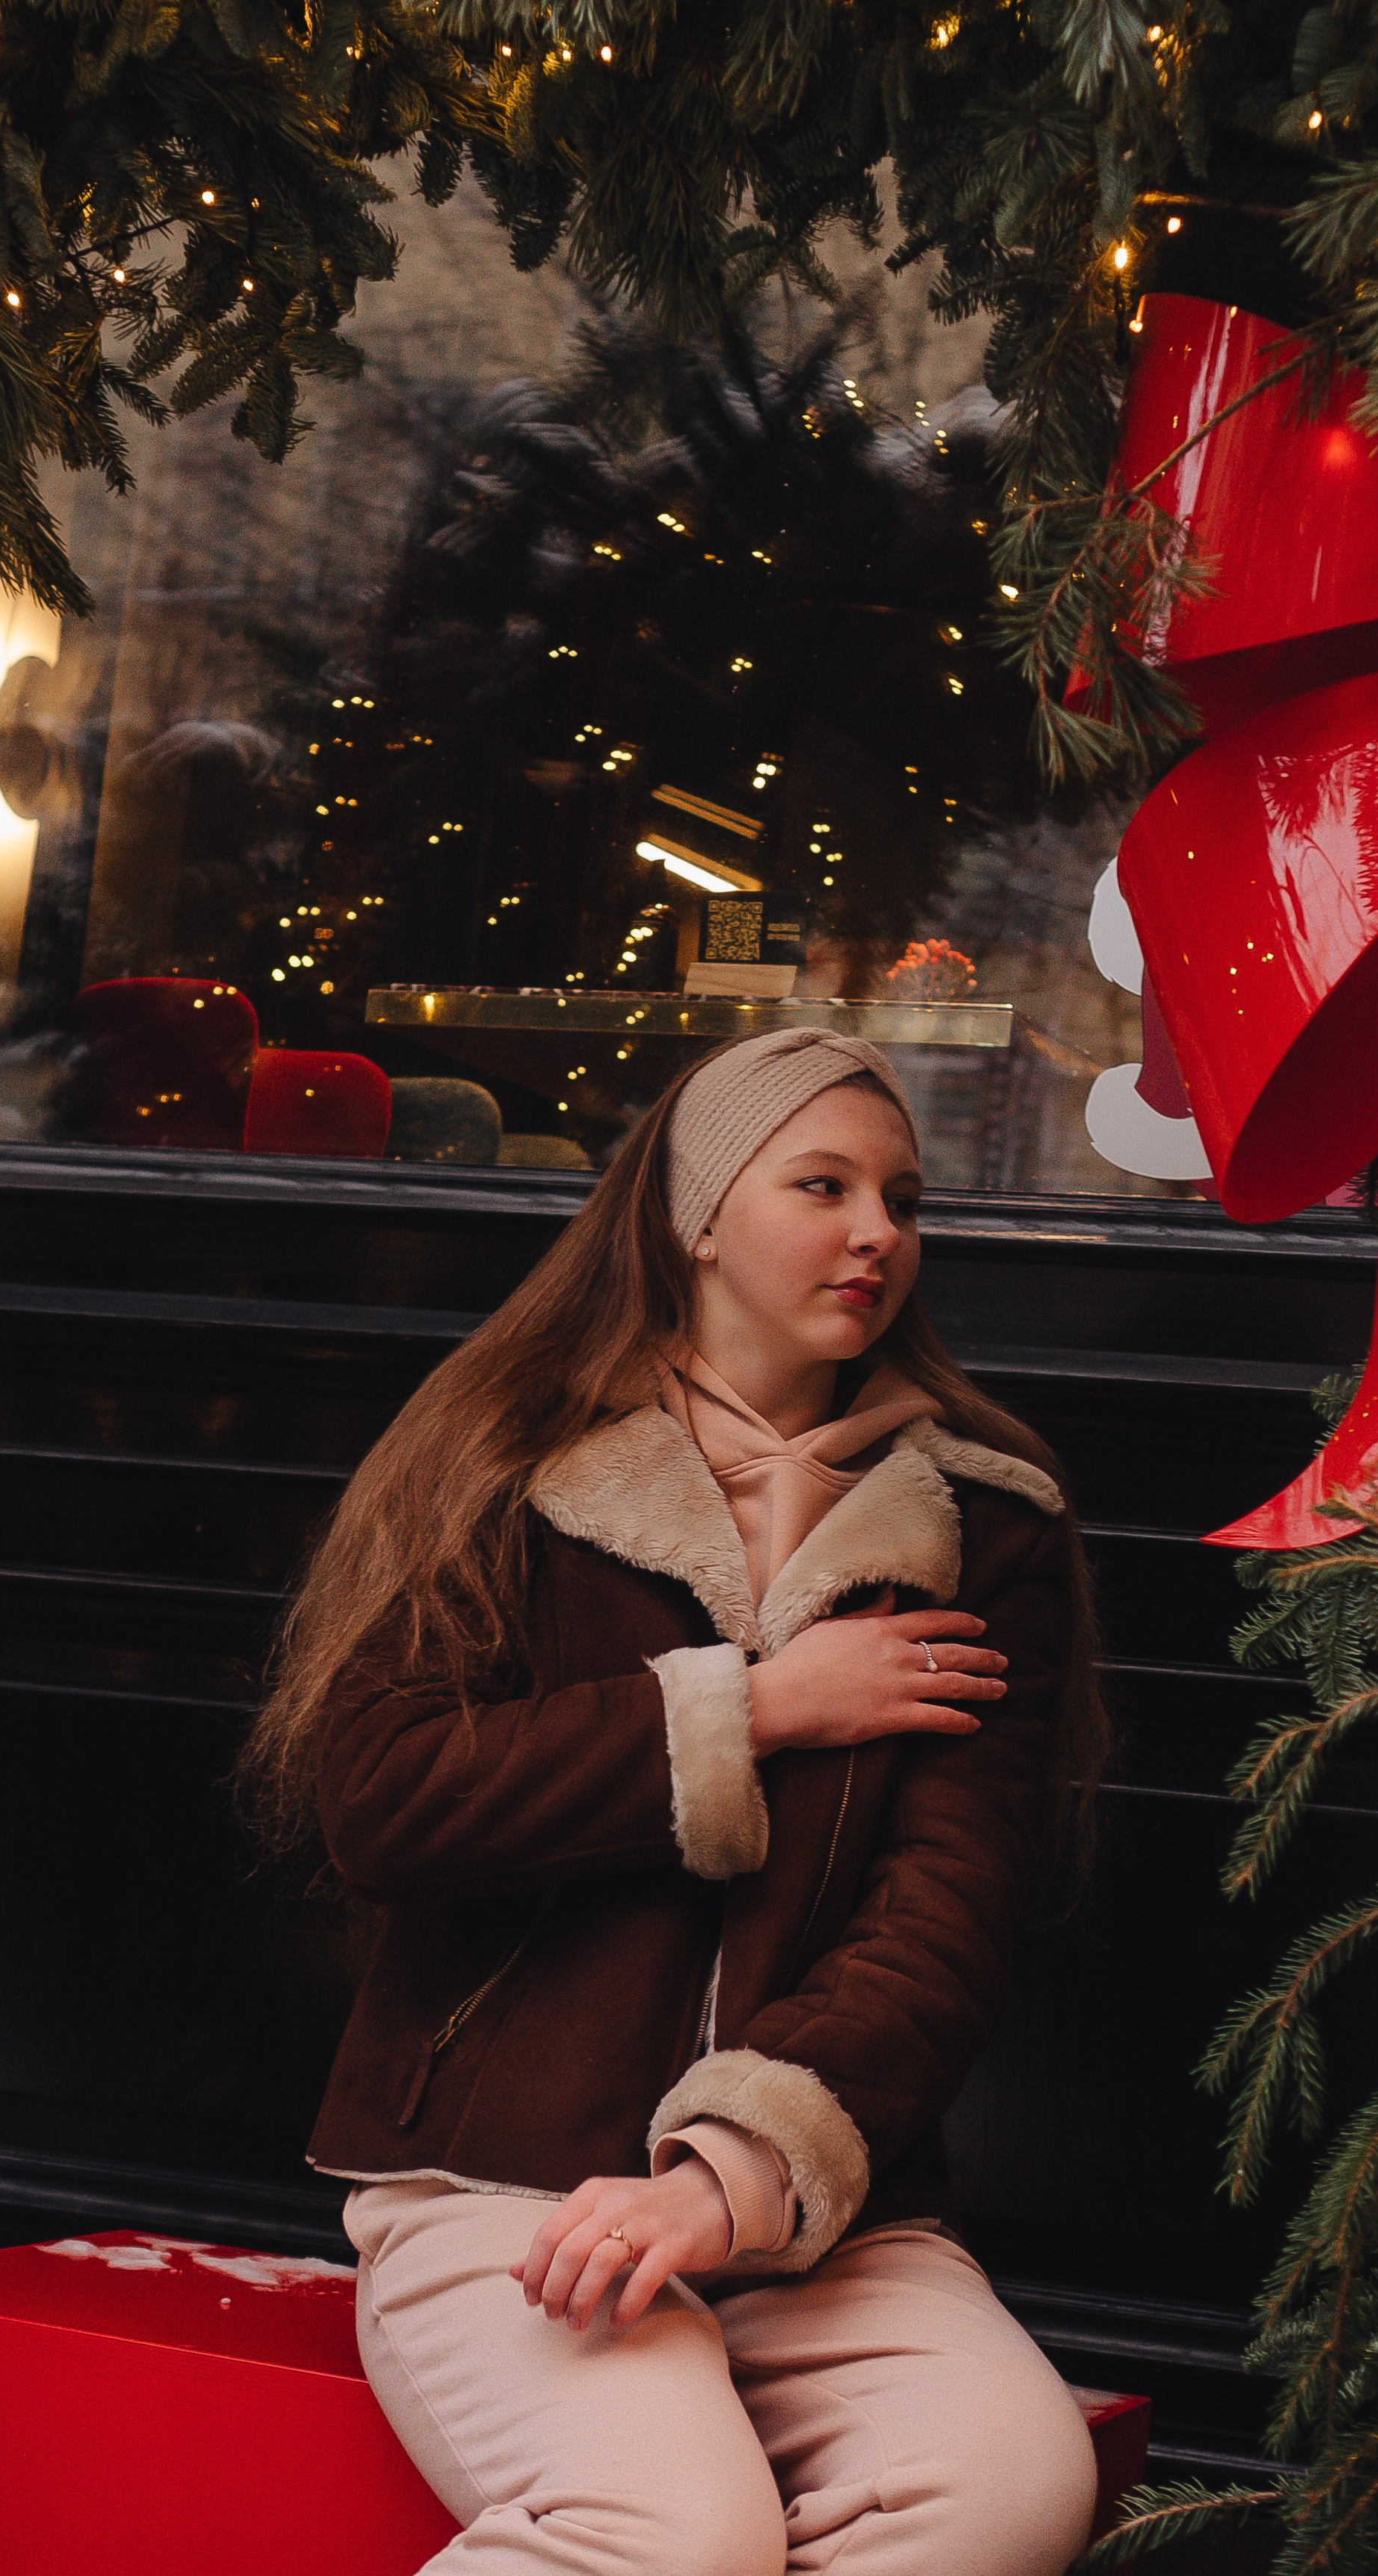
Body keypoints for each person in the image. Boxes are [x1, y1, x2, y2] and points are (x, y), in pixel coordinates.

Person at [242, 1025, 1108, 2575]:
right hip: (502, 2177)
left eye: (901, 1199)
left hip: (816, 2203)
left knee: (1004, 2485)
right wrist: (751, 1708)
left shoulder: (983, 1525)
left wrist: (734, 2179)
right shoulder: (508, 1462)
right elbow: (381, 1801)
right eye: (822, 1186)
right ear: (698, 1213)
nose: (875, 1235)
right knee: (675, 2536)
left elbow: (944, 1919)